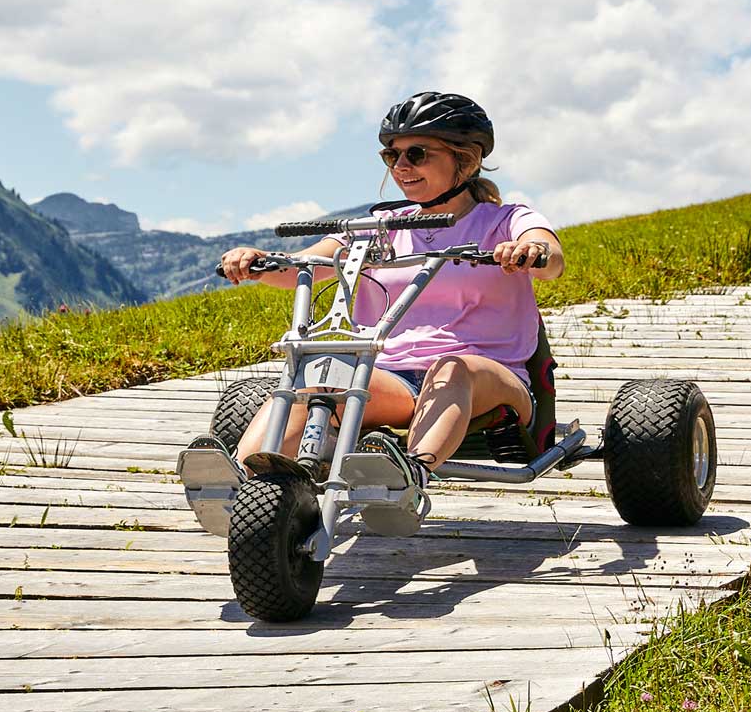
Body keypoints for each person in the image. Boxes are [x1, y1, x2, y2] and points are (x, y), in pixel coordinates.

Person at [216, 90, 563, 478]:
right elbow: (308, 263)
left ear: (465, 159)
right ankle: (238, 483)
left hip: (489, 377)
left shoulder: (505, 220)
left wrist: (530, 250)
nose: (400, 166)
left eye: (416, 154)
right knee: (318, 375)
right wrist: (257, 261)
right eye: (391, 155)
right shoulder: (381, 227)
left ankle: (409, 478)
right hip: (394, 379)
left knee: (451, 369)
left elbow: (551, 258)